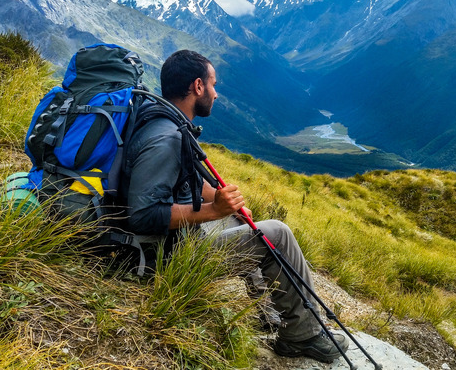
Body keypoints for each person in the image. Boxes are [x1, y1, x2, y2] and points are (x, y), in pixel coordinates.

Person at [118, 49, 348, 363]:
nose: (216, 92)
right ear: (197, 87)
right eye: (213, 85)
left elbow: (186, 181)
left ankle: (265, 310)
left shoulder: (169, 122)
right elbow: (143, 215)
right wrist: (214, 212)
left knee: (243, 221)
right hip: (164, 257)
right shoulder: (166, 137)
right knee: (276, 234)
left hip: (171, 242)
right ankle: (302, 335)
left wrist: (223, 202)